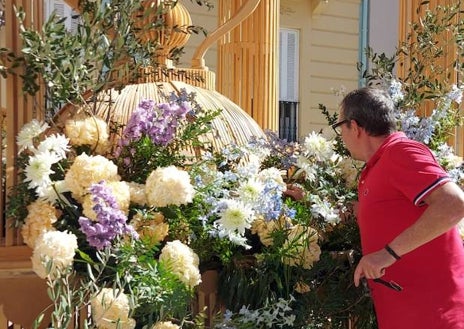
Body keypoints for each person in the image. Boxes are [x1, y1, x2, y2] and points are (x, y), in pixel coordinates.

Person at [332, 87, 464, 329]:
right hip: (407, 312)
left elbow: (454, 204)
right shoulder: (379, 165)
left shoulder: (401, 153)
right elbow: (389, 215)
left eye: (340, 126)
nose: (340, 135)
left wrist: (387, 254)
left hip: (434, 315)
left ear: (355, 127)